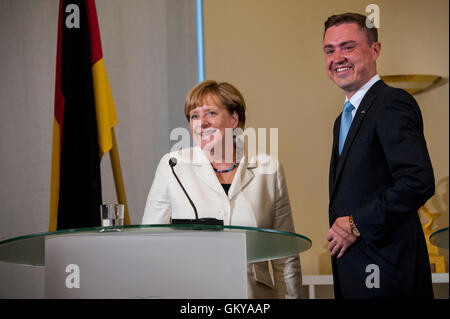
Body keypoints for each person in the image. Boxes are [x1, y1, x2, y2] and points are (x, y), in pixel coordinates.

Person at [142, 80, 302, 298]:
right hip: (191, 295)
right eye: (194, 116)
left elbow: (286, 255)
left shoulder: (268, 168)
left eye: (211, 113)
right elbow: (150, 243)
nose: (201, 123)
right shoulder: (173, 165)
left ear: (234, 119)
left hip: (253, 296)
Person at [323, 13, 435, 299]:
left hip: (388, 276)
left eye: (348, 47)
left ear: (375, 50)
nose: (338, 58)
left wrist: (356, 223)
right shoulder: (342, 120)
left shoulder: (391, 103)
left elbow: (416, 181)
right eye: (330, 50)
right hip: (357, 275)